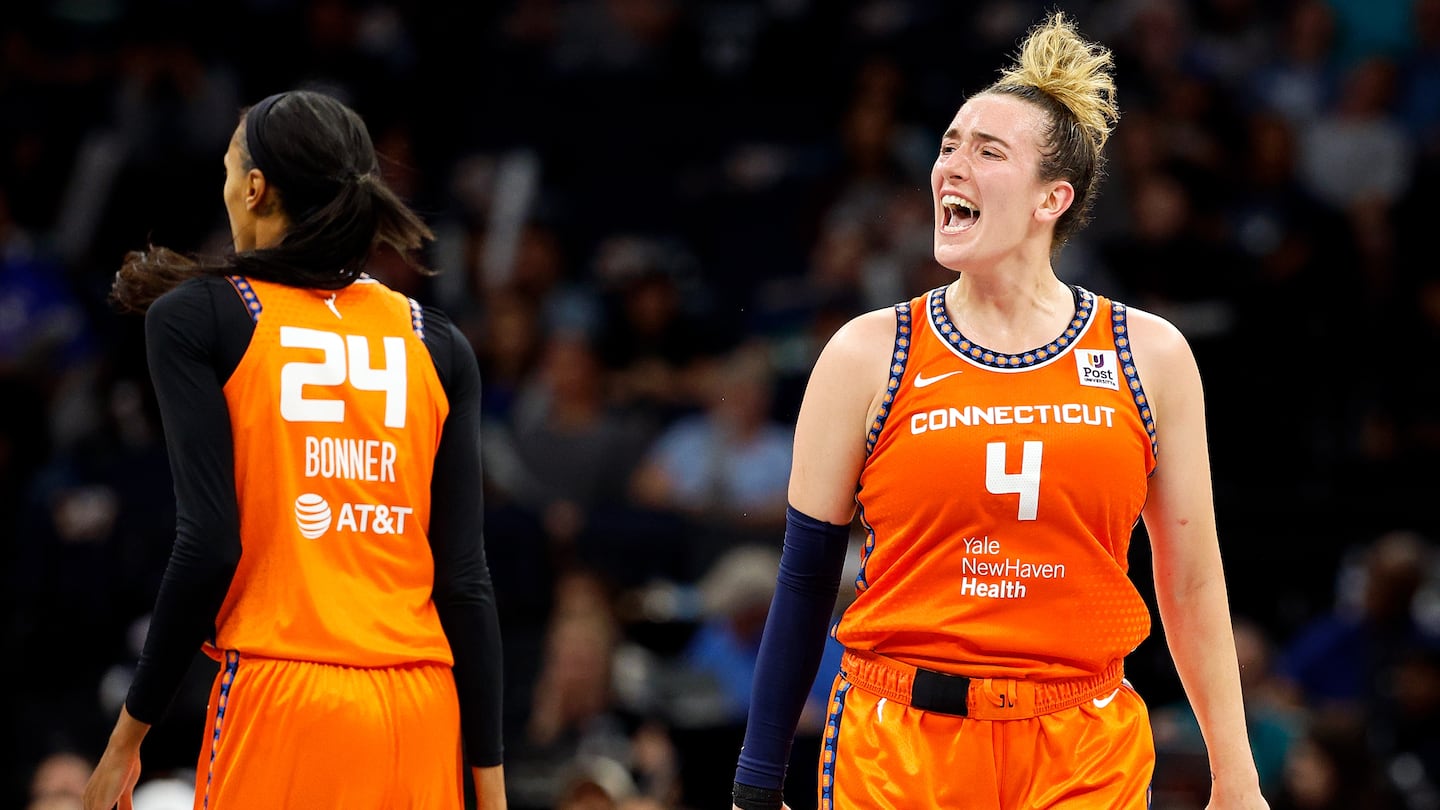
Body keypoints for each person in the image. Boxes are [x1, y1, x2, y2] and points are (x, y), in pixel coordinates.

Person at [729, 12, 1268, 810]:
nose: (952, 166)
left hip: (1083, 743)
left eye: (988, 151)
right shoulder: (866, 352)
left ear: (1055, 196)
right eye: (949, 145)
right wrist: (755, 780)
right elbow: (806, 575)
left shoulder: (1149, 356)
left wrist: (1235, 773)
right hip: (900, 741)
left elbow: (1189, 581)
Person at [81, 89, 506, 809]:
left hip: (284, 693)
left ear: (253, 187)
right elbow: (464, 580)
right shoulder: (436, 339)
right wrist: (491, 791)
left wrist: (127, 740)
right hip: (423, 708)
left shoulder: (200, 316)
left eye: (226, 170)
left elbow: (210, 546)